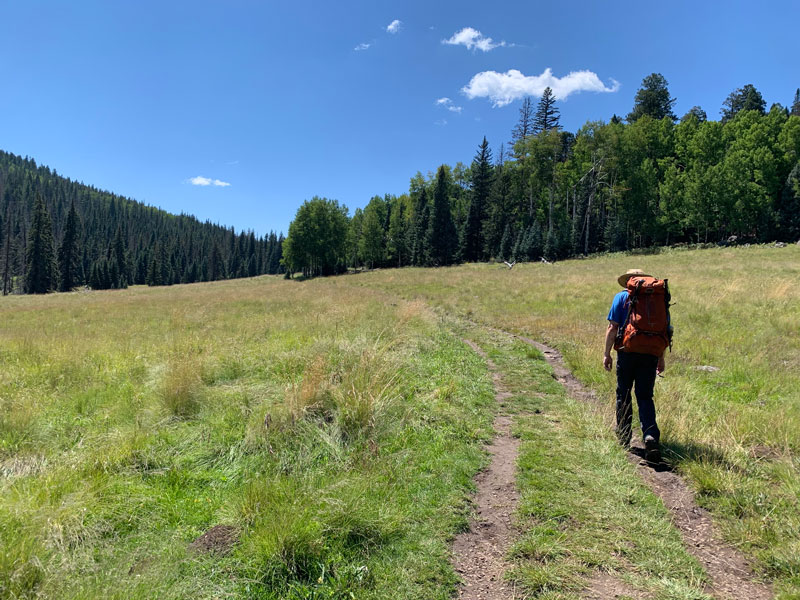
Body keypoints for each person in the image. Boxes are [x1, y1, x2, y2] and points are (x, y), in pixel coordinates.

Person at [603, 269, 665, 462]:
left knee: (624, 392)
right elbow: (664, 330)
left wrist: (606, 354)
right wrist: (661, 357)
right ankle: (650, 435)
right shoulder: (656, 298)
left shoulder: (621, 297)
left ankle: (623, 436)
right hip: (650, 354)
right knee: (645, 395)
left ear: (628, 282)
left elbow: (612, 327)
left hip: (626, 352)